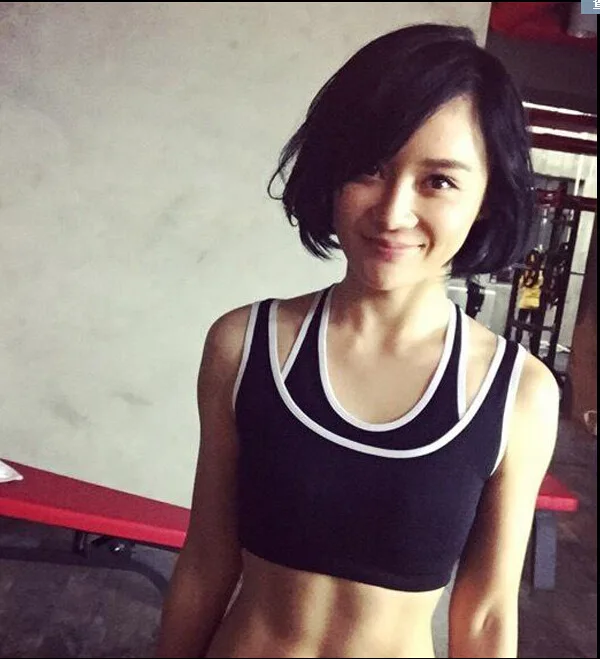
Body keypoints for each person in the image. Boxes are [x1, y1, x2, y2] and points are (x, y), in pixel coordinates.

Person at [157, 23, 559, 659]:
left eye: (438, 180)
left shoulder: (519, 394)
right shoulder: (243, 347)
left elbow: (486, 615)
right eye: (370, 169)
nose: (393, 212)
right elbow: (206, 563)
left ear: (486, 196)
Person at [515, 248, 546, 356]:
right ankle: (533, 351)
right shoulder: (541, 273)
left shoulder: (526, 272)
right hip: (536, 303)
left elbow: (520, 285)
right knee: (534, 329)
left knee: (520, 325)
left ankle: (517, 346)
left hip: (524, 302)